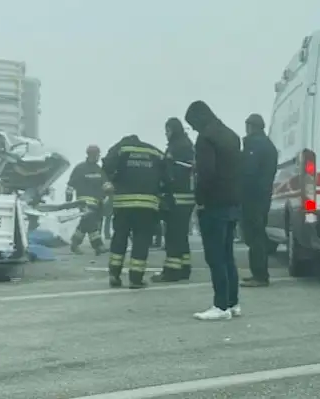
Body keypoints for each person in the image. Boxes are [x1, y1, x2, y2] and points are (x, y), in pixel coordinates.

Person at [185, 101, 242, 321]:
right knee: (227, 255)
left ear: (198, 118)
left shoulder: (206, 138)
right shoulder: (231, 135)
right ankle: (233, 302)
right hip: (232, 202)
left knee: (215, 256)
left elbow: (206, 174)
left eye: (193, 124)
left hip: (214, 204)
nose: (195, 129)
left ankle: (220, 306)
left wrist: (200, 200)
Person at [103, 135, 169, 289]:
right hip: (147, 204)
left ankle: (114, 274)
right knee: (141, 240)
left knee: (119, 237)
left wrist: (109, 181)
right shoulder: (153, 151)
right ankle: (136, 279)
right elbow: (166, 171)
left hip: (123, 204)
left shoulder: (121, 148)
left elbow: (107, 165)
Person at [152, 117, 196, 283]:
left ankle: (171, 271)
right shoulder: (187, 144)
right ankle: (185, 268)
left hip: (176, 197)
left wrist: (162, 187)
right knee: (181, 235)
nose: (166, 134)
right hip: (187, 197)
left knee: (172, 236)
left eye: (167, 130)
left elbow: (170, 171)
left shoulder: (177, 147)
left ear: (172, 129)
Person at [240, 113, 278, 288]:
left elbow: (248, 171)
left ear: (251, 126)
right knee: (257, 234)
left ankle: (260, 275)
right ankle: (258, 273)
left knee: (255, 236)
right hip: (262, 195)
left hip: (253, 197)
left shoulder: (255, 144)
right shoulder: (267, 144)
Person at [66, 145, 112, 255]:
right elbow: (71, 184)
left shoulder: (99, 169)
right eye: (97, 154)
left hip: (97, 202)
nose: (98, 156)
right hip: (84, 202)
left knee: (86, 223)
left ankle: (75, 244)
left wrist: (110, 192)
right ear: (92, 154)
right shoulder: (80, 168)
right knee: (91, 222)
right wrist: (68, 199)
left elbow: (105, 184)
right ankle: (98, 246)